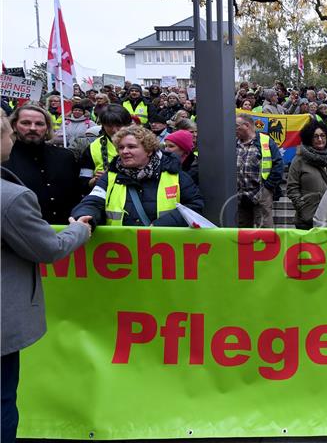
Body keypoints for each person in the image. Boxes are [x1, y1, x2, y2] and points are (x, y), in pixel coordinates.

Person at [1, 111, 92, 443]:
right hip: (8, 310)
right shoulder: (10, 194)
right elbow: (48, 249)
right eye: (17, 127)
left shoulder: (63, 157)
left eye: (39, 124)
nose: (26, 131)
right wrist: (78, 231)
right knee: (2, 400)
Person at [70, 125, 203, 226]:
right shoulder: (110, 176)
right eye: (121, 148)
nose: (125, 151)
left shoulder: (175, 174)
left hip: (164, 251)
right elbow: (92, 202)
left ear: (149, 150)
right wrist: (83, 217)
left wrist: (161, 225)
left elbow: (195, 206)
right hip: (121, 254)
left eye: (131, 147)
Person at [3, 105, 81, 224]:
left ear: (47, 127)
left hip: (66, 232)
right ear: (14, 126)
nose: (33, 128)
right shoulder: (4, 159)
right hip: (20, 234)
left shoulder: (65, 157)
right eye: (26, 123)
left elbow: (76, 196)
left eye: (39, 124)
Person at [286, 121, 327, 229]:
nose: (320, 139)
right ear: (309, 138)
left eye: (323, 135)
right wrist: (302, 206)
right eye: (315, 136)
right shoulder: (299, 160)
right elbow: (292, 187)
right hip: (308, 218)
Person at [234, 114, 283, 228]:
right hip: (239, 196)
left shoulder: (266, 141)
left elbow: (278, 165)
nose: (234, 129)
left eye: (236, 126)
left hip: (261, 194)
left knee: (265, 231)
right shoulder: (233, 142)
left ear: (246, 125)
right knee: (242, 232)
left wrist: (267, 188)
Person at [78, 104, 133, 191]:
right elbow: (83, 181)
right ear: (103, 126)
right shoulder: (93, 148)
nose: (115, 130)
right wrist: (94, 181)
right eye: (110, 126)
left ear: (128, 124)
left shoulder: (143, 145)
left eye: (119, 125)